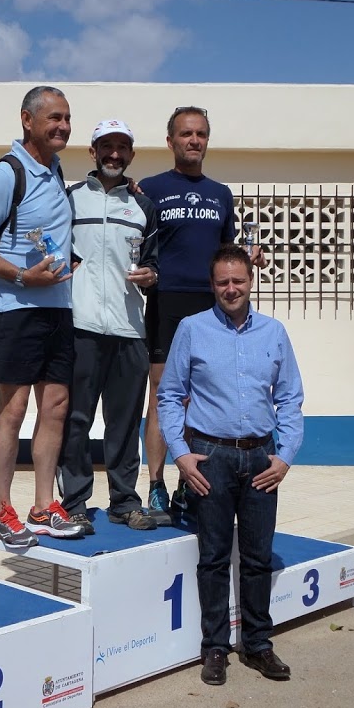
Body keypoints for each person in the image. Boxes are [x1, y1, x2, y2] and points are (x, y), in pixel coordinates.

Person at [157, 246, 303, 686]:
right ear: (212, 284)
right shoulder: (192, 329)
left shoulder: (274, 332)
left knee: (257, 558)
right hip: (210, 459)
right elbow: (169, 395)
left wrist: (285, 456)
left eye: (238, 280)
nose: (231, 288)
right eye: (223, 282)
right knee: (214, 557)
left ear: (250, 280)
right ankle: (216, 648)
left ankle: (258, 645)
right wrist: (181, 454)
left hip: (261, 459)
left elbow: (290, 398)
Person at [0, 85, 84, 547]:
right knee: (13, 409)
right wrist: (21, 276)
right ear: (27, 120)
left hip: (58, 309)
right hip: (15, 311)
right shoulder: (6, 173)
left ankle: (43, 506)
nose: (63, 126)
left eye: (67, 118)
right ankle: (2, 510)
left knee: (55, 407)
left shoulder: (56, 171)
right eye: (53, 118)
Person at [139, 106, 266, 525]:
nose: (193, 140)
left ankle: (186, 483)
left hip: (210, 306)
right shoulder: (150, 188)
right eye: (186, 133)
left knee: (199, 397)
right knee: (163, 395)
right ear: (170, 141)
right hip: (167, 300)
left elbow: (228, 252)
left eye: (200, 134)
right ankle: (155, 484)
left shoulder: (220, 194)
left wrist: (250, 256)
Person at [58, 119, 160, 533]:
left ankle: (124, 501)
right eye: (106, 146)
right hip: (79, 326)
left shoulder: (143, 206)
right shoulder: (70, 199)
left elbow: (154, 262)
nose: (114, 154)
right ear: (93, 151)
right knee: (76, 421)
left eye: (122, 147)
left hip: (129, 329)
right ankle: (75, 503)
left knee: (124, 423)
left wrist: (152, 274)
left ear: (131, 154)